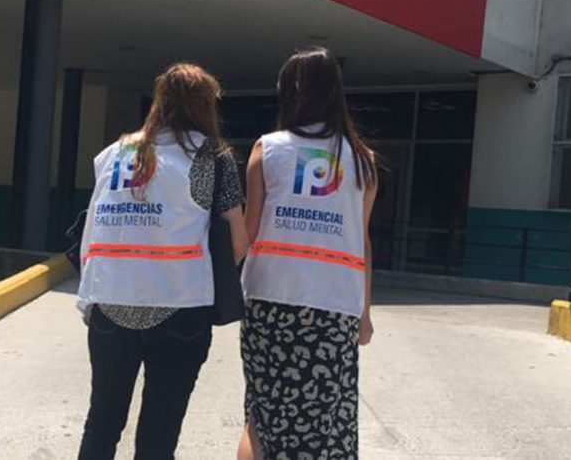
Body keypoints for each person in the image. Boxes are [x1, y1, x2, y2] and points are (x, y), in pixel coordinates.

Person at [77, 63, 249, 460]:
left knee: (101, 424)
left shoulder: (112, 154)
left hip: (110, 302)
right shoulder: (211, 156)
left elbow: (94, 229)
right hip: (180, 307)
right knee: (158, 434)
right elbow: (237, 241)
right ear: (204, 105)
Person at [237, 47, 378, 460]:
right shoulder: (362, 160)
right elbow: (362, 242)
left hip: (269, 302)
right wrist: (364, 312)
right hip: (334, 306)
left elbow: (249, 230)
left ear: (291, 93)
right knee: (326, 421)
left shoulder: (267, 149)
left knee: (261, 414)